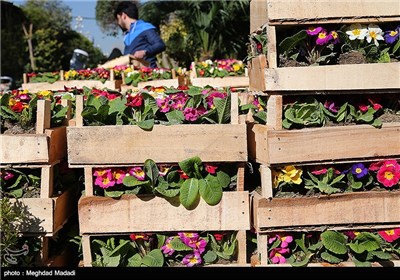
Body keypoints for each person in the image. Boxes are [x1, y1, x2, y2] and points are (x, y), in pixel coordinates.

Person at [114, 1, 166, 68]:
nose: (118, 23)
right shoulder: (127, 35)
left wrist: (144, 52)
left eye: (118, 19)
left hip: (148, 74)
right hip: (132, 74)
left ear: (123, 16)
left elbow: (160, 44)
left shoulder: (144, 27)